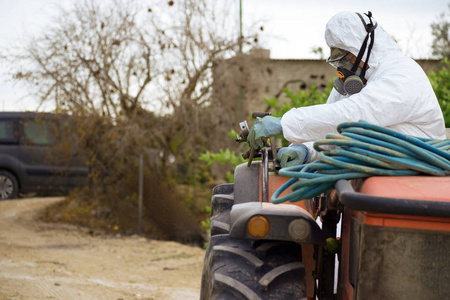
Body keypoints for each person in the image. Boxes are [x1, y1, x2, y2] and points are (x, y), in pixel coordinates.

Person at [248, 11, 446, 167]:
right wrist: (306, 150)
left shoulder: (402, 73)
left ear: (364, 47)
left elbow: (356, 115)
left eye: (345, 56)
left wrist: (285, 122)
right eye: (338, 59)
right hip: (370, 177)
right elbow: (333, 134)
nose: (343, 65)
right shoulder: (357, 82)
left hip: (418, 177)